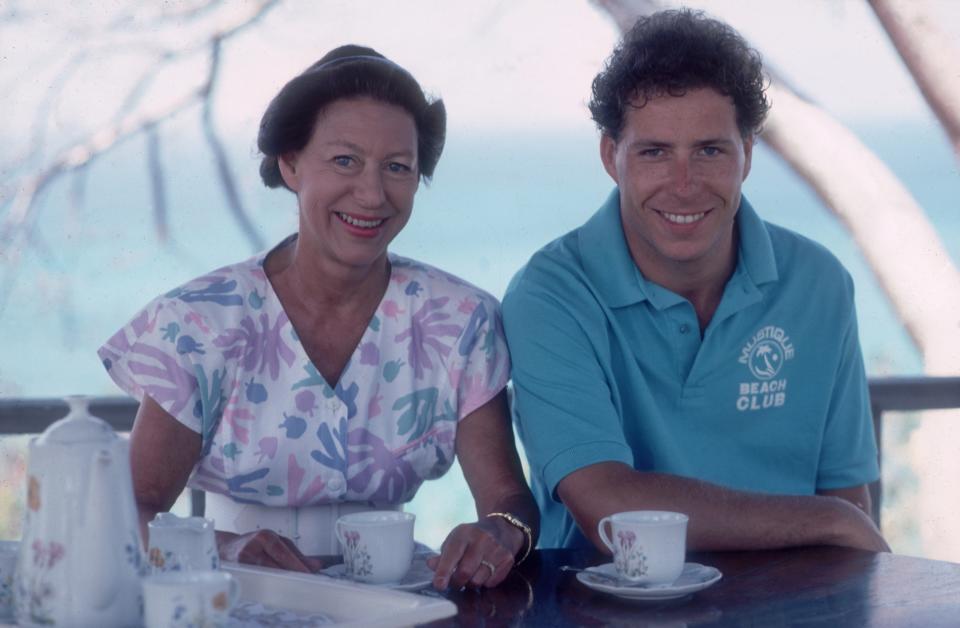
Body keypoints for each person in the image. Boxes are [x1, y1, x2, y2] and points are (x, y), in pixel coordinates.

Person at [98, 44, 538, 590]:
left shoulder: (460, 321)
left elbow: (508, 500)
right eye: (345, 160)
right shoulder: (197, 324)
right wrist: (228, 548)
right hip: (225, 592)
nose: (373, 193)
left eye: (397, 167)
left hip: (397, 598)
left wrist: (501, 531)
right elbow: (129, 514)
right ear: (291, 164)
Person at [501, 10, 889, 554]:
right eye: (655, 152)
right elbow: (608, 508)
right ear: (612, 157)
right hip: (604, 610)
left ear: (747, 155)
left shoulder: (818, 284)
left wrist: (836, 523)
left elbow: (848, 499)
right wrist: (826, 521)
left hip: (793, 606)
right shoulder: (550, 297)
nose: (684, 186)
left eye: (709, 150)